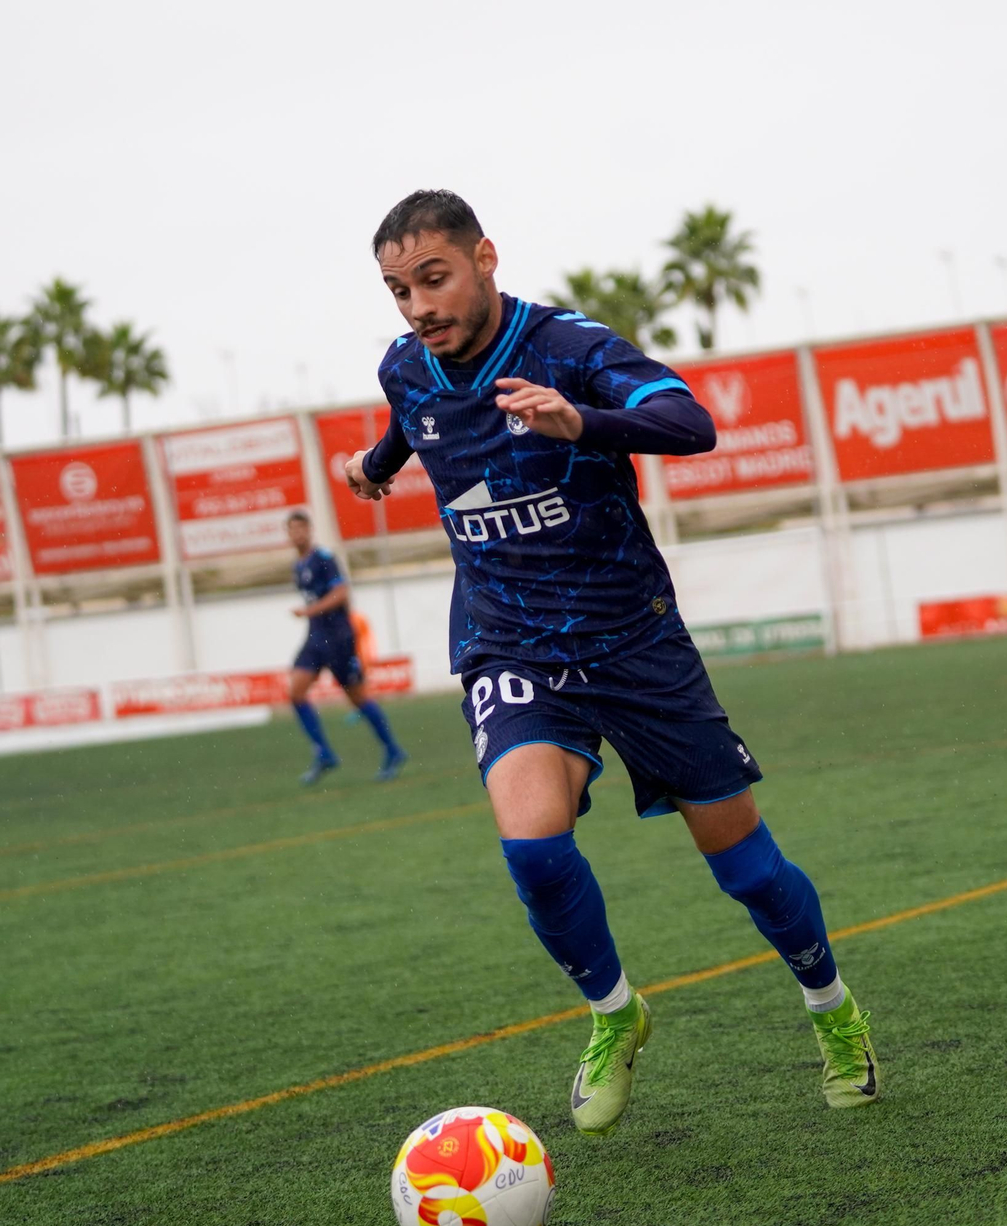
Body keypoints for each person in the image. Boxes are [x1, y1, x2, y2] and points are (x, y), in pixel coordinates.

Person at [343, 192, 878, 1135]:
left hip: (633, 642)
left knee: (747, 870)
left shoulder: (569, 350)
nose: (419, 306)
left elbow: (689, 422)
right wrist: (376, 465)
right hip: (507, 642)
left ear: (485, 260)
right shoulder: (405, 368)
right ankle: (613, 1012)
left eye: (434, 279)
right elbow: (407, 421)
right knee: (534, 847)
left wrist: (582, 422)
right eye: (398, 290)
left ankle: (832, 1009)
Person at [285, 509, 406, 785]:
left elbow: (341, 593)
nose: (297, 534)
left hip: (337, 638)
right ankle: (324, 752)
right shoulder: (297, 566)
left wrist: (312, 611)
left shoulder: (323, 559)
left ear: (309, 530)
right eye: (292, 529)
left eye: (301, 528)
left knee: (358, 698)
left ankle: (393, 749)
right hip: (315, 638)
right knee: (296, 691)